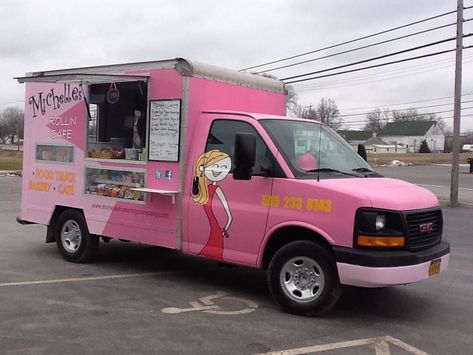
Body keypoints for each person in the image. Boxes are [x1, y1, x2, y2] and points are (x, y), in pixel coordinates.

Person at [192, 150, 232, 260]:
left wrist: (225, 228)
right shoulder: (204, 188)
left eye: (224, 167)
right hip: (213, 226)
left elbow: (229, 213)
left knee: (215, 244)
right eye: (216, 165)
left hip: (216, 227)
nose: (219, 170)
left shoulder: (216, 189)